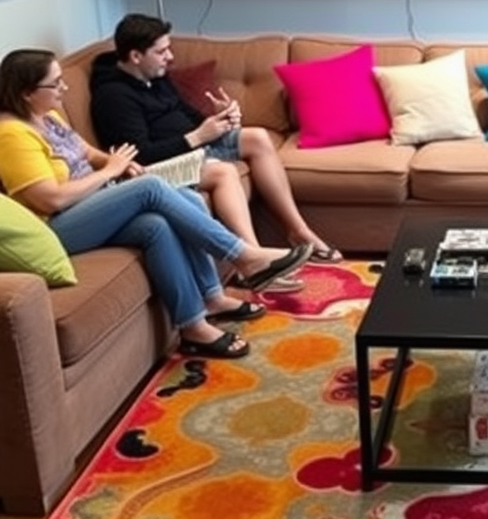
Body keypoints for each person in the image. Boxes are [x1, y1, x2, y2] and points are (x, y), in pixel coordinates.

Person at [0, 49, 313, 358]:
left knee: (162, 220)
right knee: (149, 187)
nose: (63, 89)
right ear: (27, 92)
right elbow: (51, 198)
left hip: (91, 201)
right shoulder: (11, 135)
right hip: (61, 224)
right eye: (55, 84)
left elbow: (86, 153)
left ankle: (200, 315)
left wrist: (114, 162)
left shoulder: (47, 117)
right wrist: (111, 171)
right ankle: (243, 256)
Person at [89, 14, 340, 266]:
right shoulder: (113, 96)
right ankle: (255, 259)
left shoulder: (155, 76)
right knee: (223, 172)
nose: (170, 57)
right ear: (135, 56)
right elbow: (140, 154)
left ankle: (297, 230)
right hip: (155, 168)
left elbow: (185, 114)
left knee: (257, 138)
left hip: (193, 147)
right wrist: (198, 136)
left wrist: (219, 118)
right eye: (162, 51)